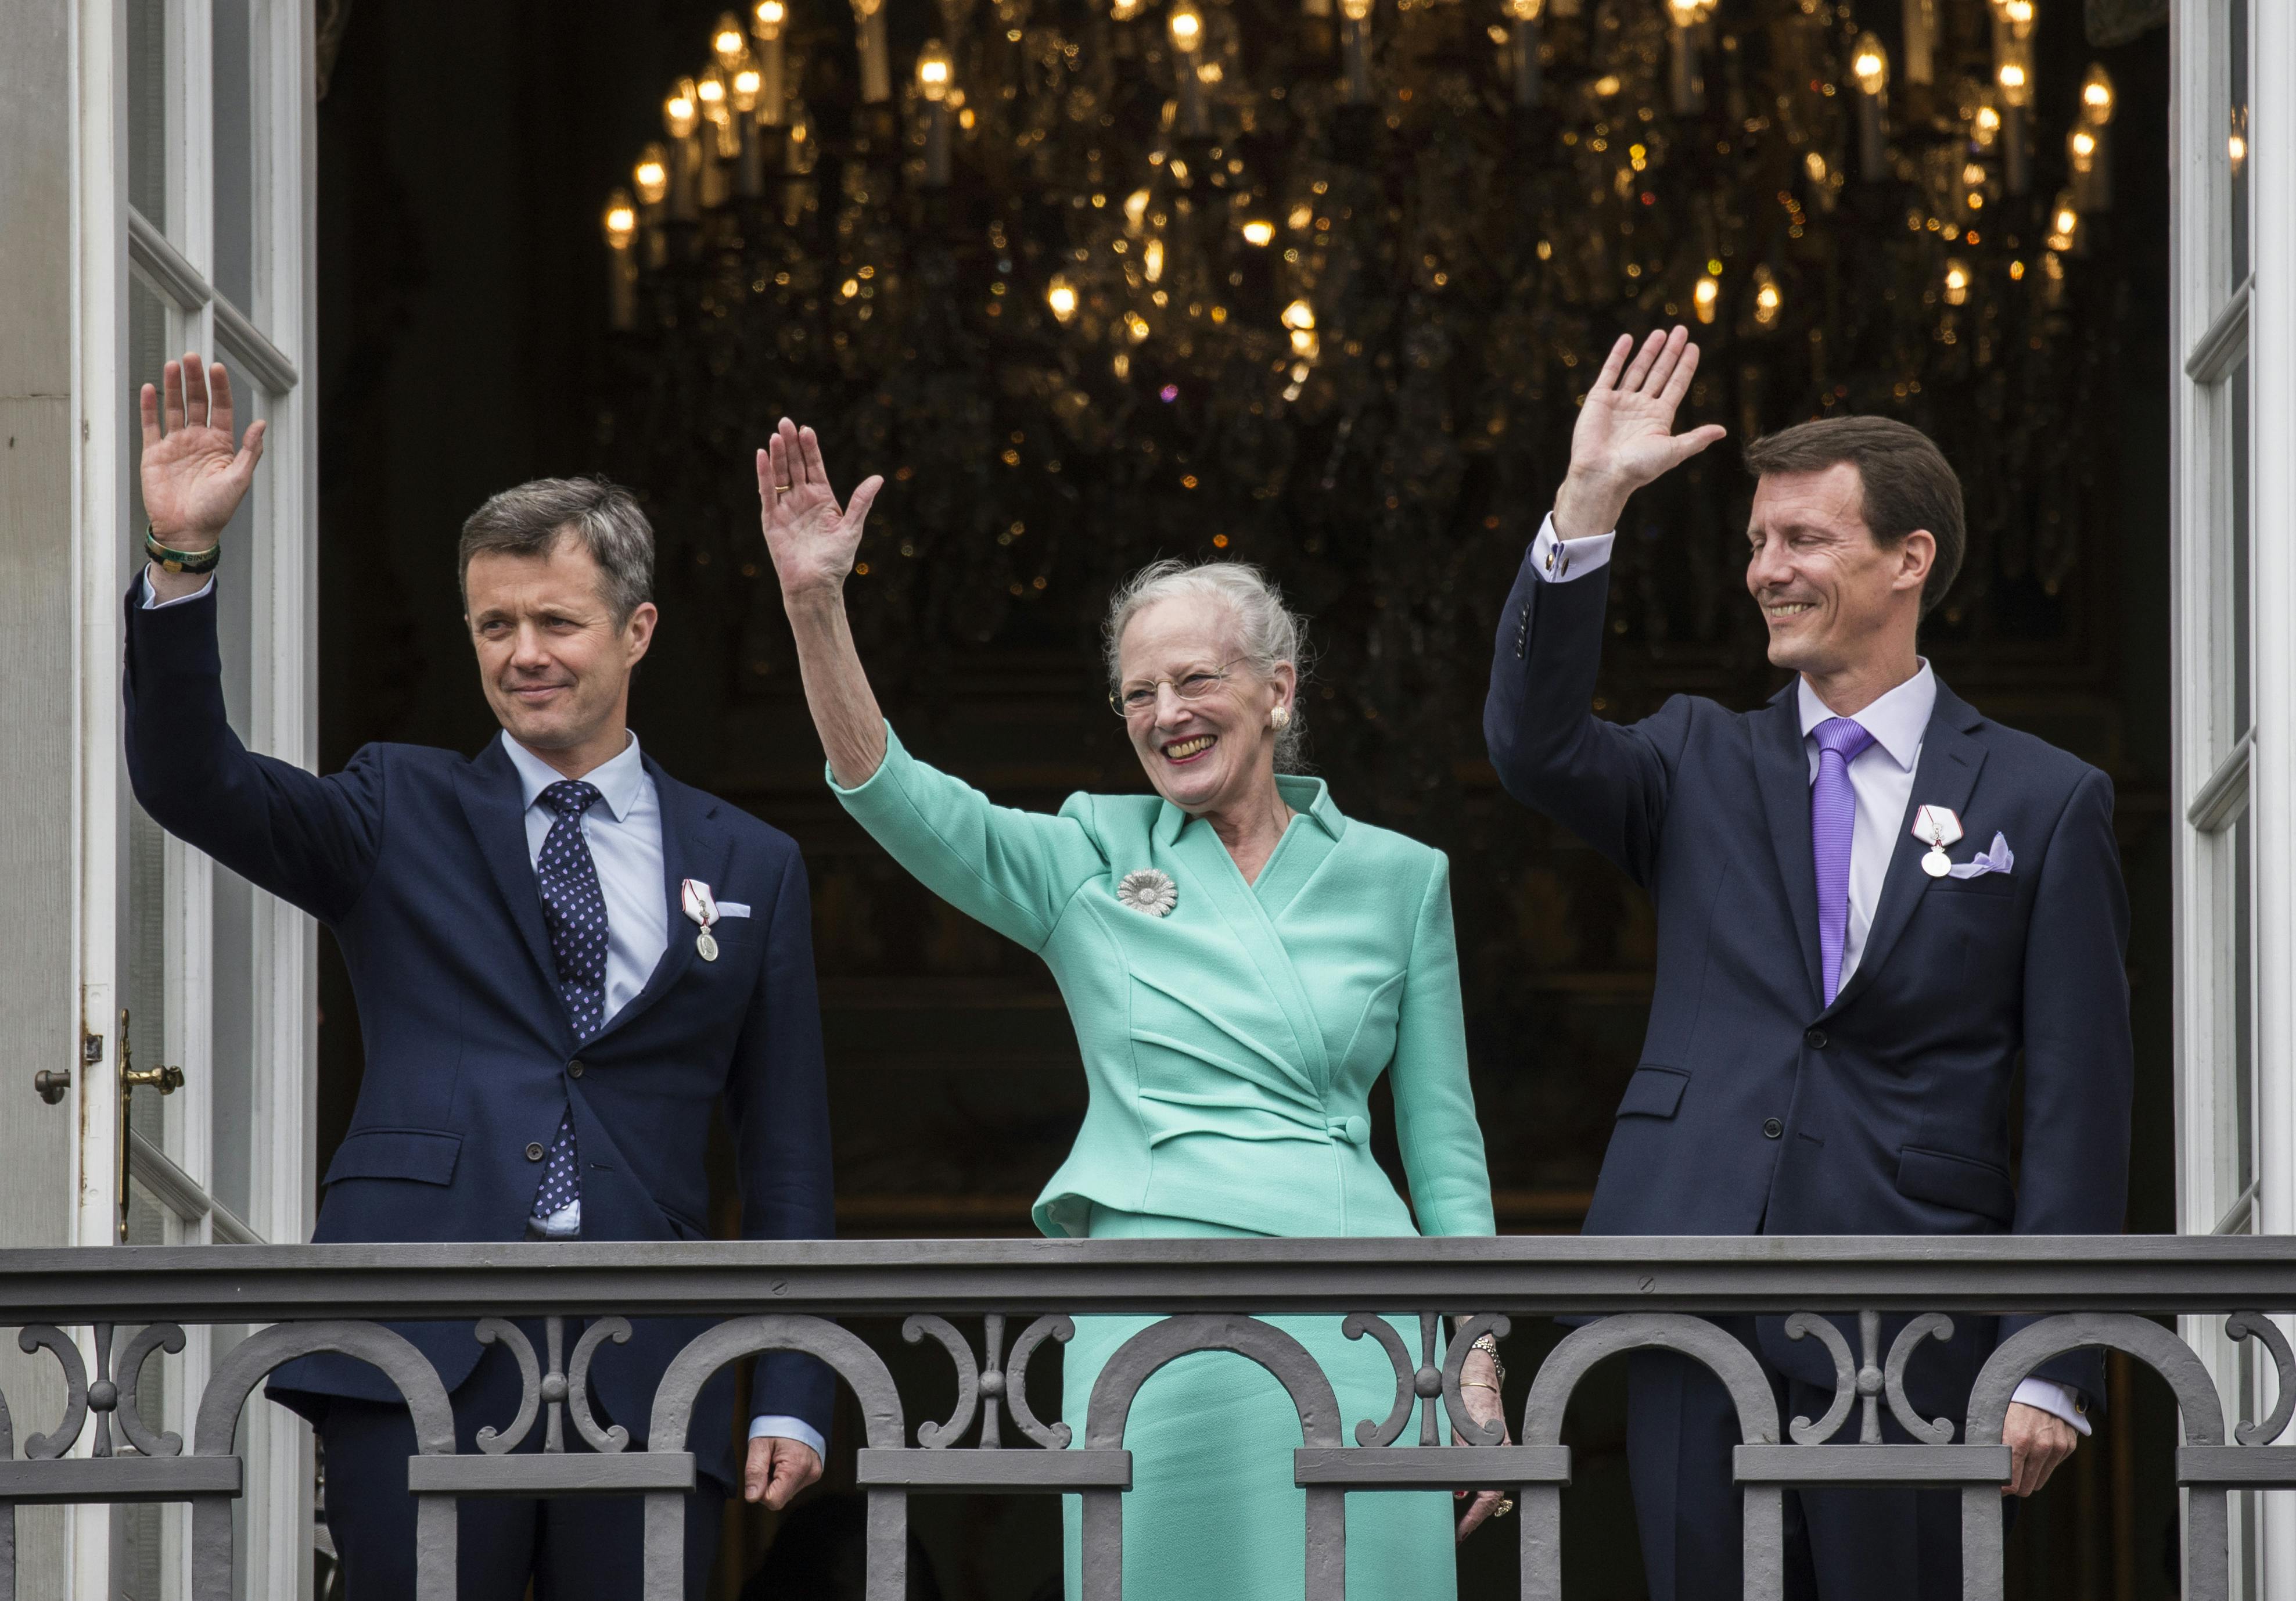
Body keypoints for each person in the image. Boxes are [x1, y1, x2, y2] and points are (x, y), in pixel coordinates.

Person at [753, 418, 1505, 1598]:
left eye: (1197, 679)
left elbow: (1448, 1148)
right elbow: (897, 799)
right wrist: (816, 608)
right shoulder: (1090, 854)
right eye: (1139, 693)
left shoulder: (1401, 877)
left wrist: (1475, 1363)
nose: (1167, 713)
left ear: (1279, 689)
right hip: (1157, 1328)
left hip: (1364, 1331)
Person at [123, 354, 835, 1598]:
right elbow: (195, 781)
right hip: (419, 1337)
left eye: (555, 621)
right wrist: (184, 564)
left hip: (646, 1360)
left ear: (637, 630)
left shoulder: (751, 862)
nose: (524, 655)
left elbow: (784, 1150)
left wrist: (793, 1391)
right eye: (495, 625)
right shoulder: (400, 803)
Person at [1482, 328, 2133, 1600]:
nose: (1766, 572)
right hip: (1689, 1289)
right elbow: (1533, 742)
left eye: (1803, 542)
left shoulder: (2047, 801)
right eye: (1755, 545)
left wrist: (2049, 1356)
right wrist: (1588, 504)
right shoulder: (1693, 758)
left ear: (1909, 559)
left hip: (1914, 1309)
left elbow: (2076, 1100)